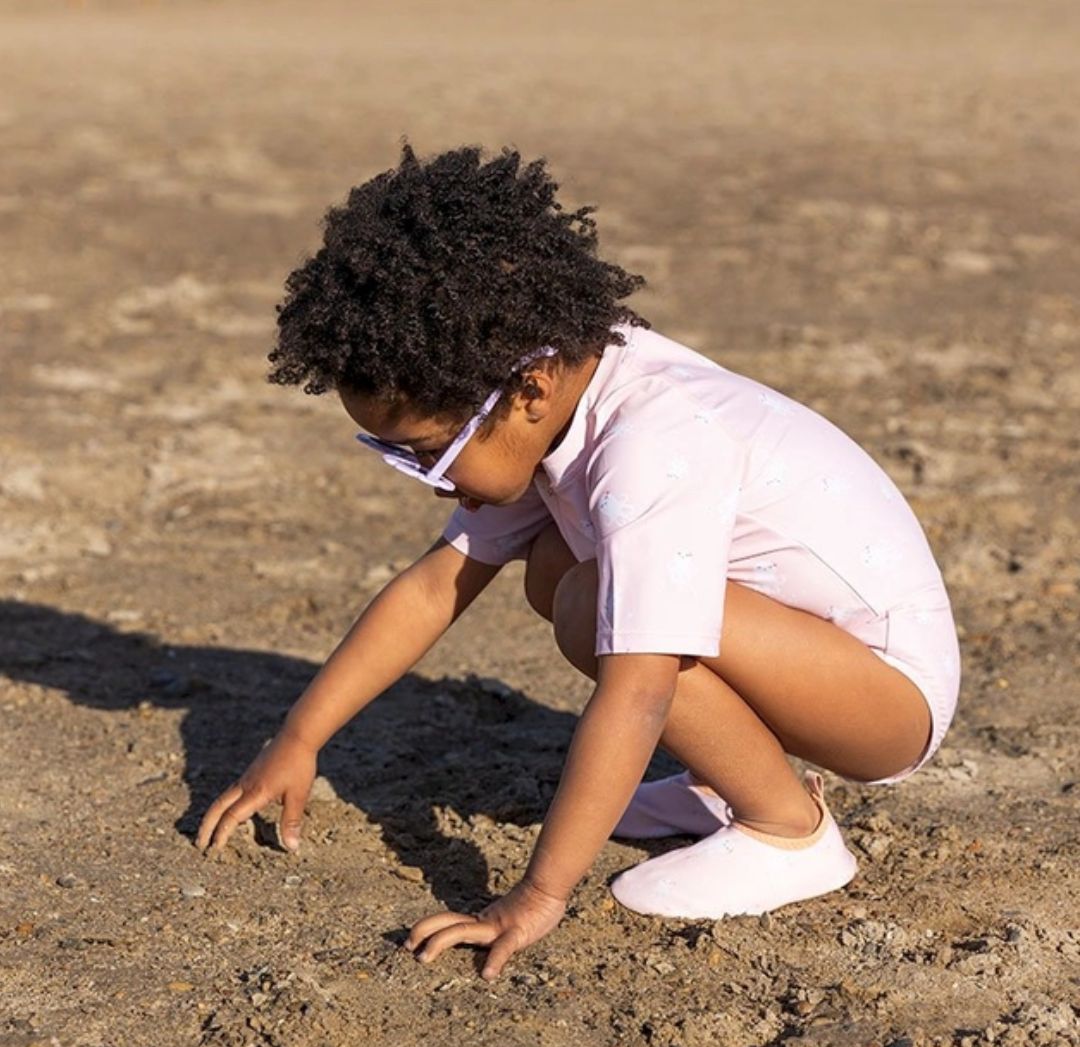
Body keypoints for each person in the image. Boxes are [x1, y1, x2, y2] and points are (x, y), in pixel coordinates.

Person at [196, 143, 961, 981]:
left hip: (888, 703)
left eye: (425, 453)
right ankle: (725, 781)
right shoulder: (564, 393)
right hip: (808, 656)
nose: (429, 480)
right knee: (560, 568)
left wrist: (536, 895)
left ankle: (788, 831)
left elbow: (640, 691)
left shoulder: (650, 443)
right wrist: (299, 738)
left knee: (592, 597)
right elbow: (431, 589)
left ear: (526, 390)